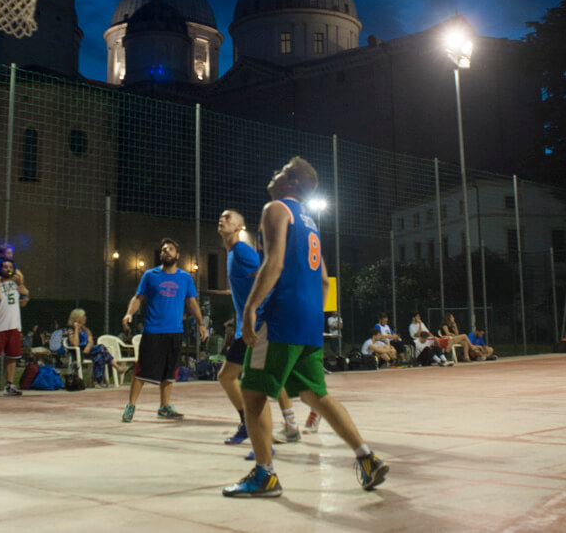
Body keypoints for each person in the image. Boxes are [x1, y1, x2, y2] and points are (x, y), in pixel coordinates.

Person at [224, 156, 388, 498]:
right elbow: (325, 280)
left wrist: (252, 306)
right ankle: (366, 457)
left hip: (281, 316)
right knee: (317, 395)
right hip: (309, 321)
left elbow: (275, 262)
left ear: (294, 182)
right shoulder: (310, 222)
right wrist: (312, 308)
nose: (273, 172)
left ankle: (265, 475)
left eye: (281, 170)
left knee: (252, 394)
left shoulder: (276, 209)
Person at [216, 209, 300, 448]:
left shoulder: (242, 250)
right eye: (221, 217)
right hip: (249, 327)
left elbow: (267, 273)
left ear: (240, 228)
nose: (223, 220)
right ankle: (267, 426)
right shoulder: (232, 253)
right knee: (230, 377)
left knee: (254, 383)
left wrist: (260, 310)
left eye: (229, 218)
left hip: (258, 325)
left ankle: (266, 439)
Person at [120, 237, 207, 422]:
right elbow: (137, 298)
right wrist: (129, 314)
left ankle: (164, 407)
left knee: (169, 372)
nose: (166, 252)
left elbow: (192, 302)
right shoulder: (150, 275)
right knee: (142, 371)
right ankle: (130, 406)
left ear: (178, 255)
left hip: (174, 332)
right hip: (153, 331)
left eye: (170, 249)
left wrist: (200, 323)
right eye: (163, 250)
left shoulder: (185, 278)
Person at [0, 258, 29, 396]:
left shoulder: (16, 284)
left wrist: (24, 292)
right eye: (5, 266)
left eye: (10, 266)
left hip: (14, 325)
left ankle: (9, 385)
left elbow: (23, 303)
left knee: (12, 356)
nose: (8, 269)